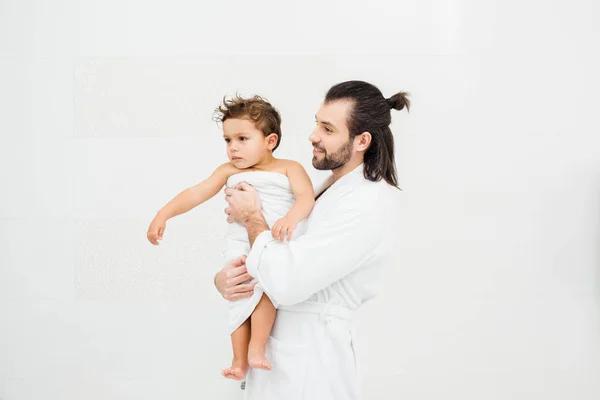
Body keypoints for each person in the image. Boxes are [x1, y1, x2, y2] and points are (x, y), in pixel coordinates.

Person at [216, 80, 410, 399]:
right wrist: (226, 280)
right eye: (316, 123)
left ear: (362, 140)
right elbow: (273, 255)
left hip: (313, 364)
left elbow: (288, 281)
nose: (313, 136)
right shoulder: (324, 189)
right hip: (283, 357)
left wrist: (252, 218)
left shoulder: (366, 203)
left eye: (328, 129)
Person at [146, 95, 315, 381]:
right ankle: (239, 359)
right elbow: (196, 193)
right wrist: (163, 214)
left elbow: (306, 198)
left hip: (274, 240)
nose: (233, 148)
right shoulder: (229, 171)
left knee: (268, 290)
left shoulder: (289, 168)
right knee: (240, 295)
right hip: (239, 244)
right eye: (227, 140)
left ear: (270, 141)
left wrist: (290, 219)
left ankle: (257, 348)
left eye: (242, 138)